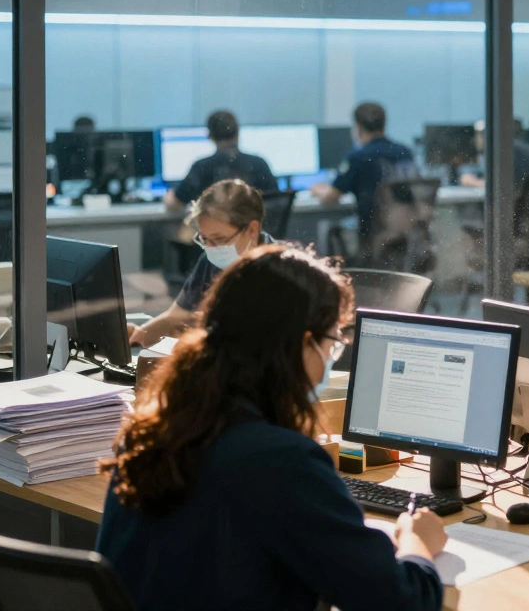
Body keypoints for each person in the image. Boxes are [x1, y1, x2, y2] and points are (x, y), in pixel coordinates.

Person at [99, 246, 445, 611]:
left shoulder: (152, 432)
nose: (330, 358)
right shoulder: (280, 460)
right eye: (332, 344)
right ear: (303, 345)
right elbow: (402, 602)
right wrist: (417, 544)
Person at [130, 180, 276, 347]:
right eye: (204, 239)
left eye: (220, 239)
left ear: (252, 230)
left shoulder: (280, 269)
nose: (210, 248)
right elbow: (177, 317)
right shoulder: (210, 262)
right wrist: (139, 335)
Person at [311, 102, 415, 240]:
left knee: (327, 228)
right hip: (405, 232)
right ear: (383, 125)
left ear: (358, 127)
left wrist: (316, 189)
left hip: (372, 232)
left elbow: (331, 197)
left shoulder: (358, 157)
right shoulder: (405, 152)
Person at [164, 110, 278, 210]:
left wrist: (169, 195)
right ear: (238, 133)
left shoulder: (202, 168)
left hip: (216, 228)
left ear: (210, 136)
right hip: (253, 228)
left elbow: (175, 204)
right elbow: (277, 201)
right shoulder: (259, 164)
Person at [458, 119, 529, 190]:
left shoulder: (506, 151)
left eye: (478, 135)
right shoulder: (521, 147)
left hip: (522, 202)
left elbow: (503, 184)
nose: (475, 140)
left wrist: (476, 182)